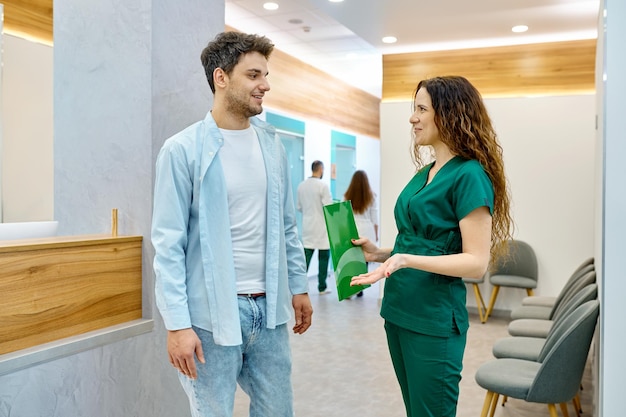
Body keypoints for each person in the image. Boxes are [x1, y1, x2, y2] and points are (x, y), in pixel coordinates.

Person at [151, 31, 313, 417]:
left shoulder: (272, 146)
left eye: (266, 75)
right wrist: (176, 326)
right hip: (209, 318)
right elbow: (168, 245)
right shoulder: (182, 150)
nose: (265, 85)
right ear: (221, 78)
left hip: (270, 313)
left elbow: (287, 226)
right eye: (254, 75)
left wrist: (299, 286)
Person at [351, 75, 513, 417]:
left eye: (421, 109)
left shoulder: (469, 175)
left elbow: (476, 262)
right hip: (399, 310)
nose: (413, 118)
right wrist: (378, 253)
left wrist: (406, 260)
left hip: (433, 319)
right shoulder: (428, 171)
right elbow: (421, 239)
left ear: (450, 114)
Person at [296, 160, 334, 294]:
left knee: (305, 257)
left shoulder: (301, 186)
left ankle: (298, 286)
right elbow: (328, 207)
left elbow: (299, 207)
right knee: (323, 258)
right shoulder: (322, 186)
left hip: (307, 226)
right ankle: (322, 286)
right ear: (321, 169)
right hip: (322, 227)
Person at [343, 170, 379, 297]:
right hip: (367, 229)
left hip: (353, 230)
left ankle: (350, 288)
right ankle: (360, 288)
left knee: (351, 260)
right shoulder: (372, 196)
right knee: (365, 259)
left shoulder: (347, 196)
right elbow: (375, 219)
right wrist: (376, 234)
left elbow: (345, 218)